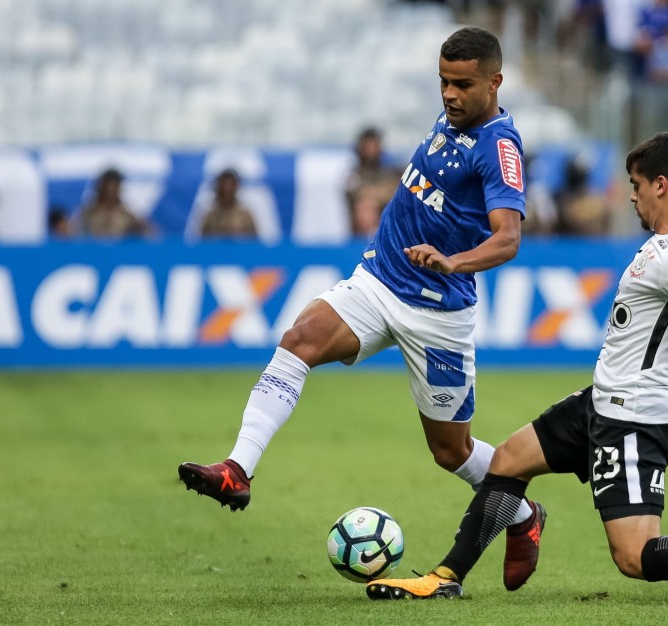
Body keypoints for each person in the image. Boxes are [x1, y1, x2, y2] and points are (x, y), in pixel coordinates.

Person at [365, 132, 668, 609]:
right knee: (506, 462)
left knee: (634, 556)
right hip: (604, 399)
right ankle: (446, 577)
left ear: (662, 186)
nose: (631, 195)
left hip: (636, 418)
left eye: (636, 184)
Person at [179, 27, 549, 591]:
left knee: (451, 452)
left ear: (495, 82)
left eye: (463, 85)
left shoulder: (499, 148)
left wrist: (454, 261)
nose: (449, 94)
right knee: (298, 341)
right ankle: (238, 469)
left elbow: (508, 239)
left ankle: (524, 516)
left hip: (438, 312)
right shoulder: (451, 117)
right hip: (378, 281)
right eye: (443, 82)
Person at [343, 127, 400, 237]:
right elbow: (356, 193)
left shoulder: (390, 171)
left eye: (374, 145)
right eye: (368, 145)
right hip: (358, 231)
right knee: (366, 209)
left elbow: (398, 191)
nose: (371, 149)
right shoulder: (353, 174)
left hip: (387, 221)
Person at [77, 168, 151, 238]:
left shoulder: (127, 214)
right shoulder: (88, 213)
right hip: (94, 249)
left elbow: (150, 233)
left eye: (115, 185)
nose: (110, 190)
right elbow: (76, 235)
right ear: (100, 186)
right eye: (107, 185)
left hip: (119, 250)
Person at [199, 168, 258, 239]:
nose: (227, 189)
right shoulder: (210, 216)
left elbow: (254, 241)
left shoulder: (245, 215)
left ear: (236, 186)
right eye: (224, 184)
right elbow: (203, 242)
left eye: (231, 184)